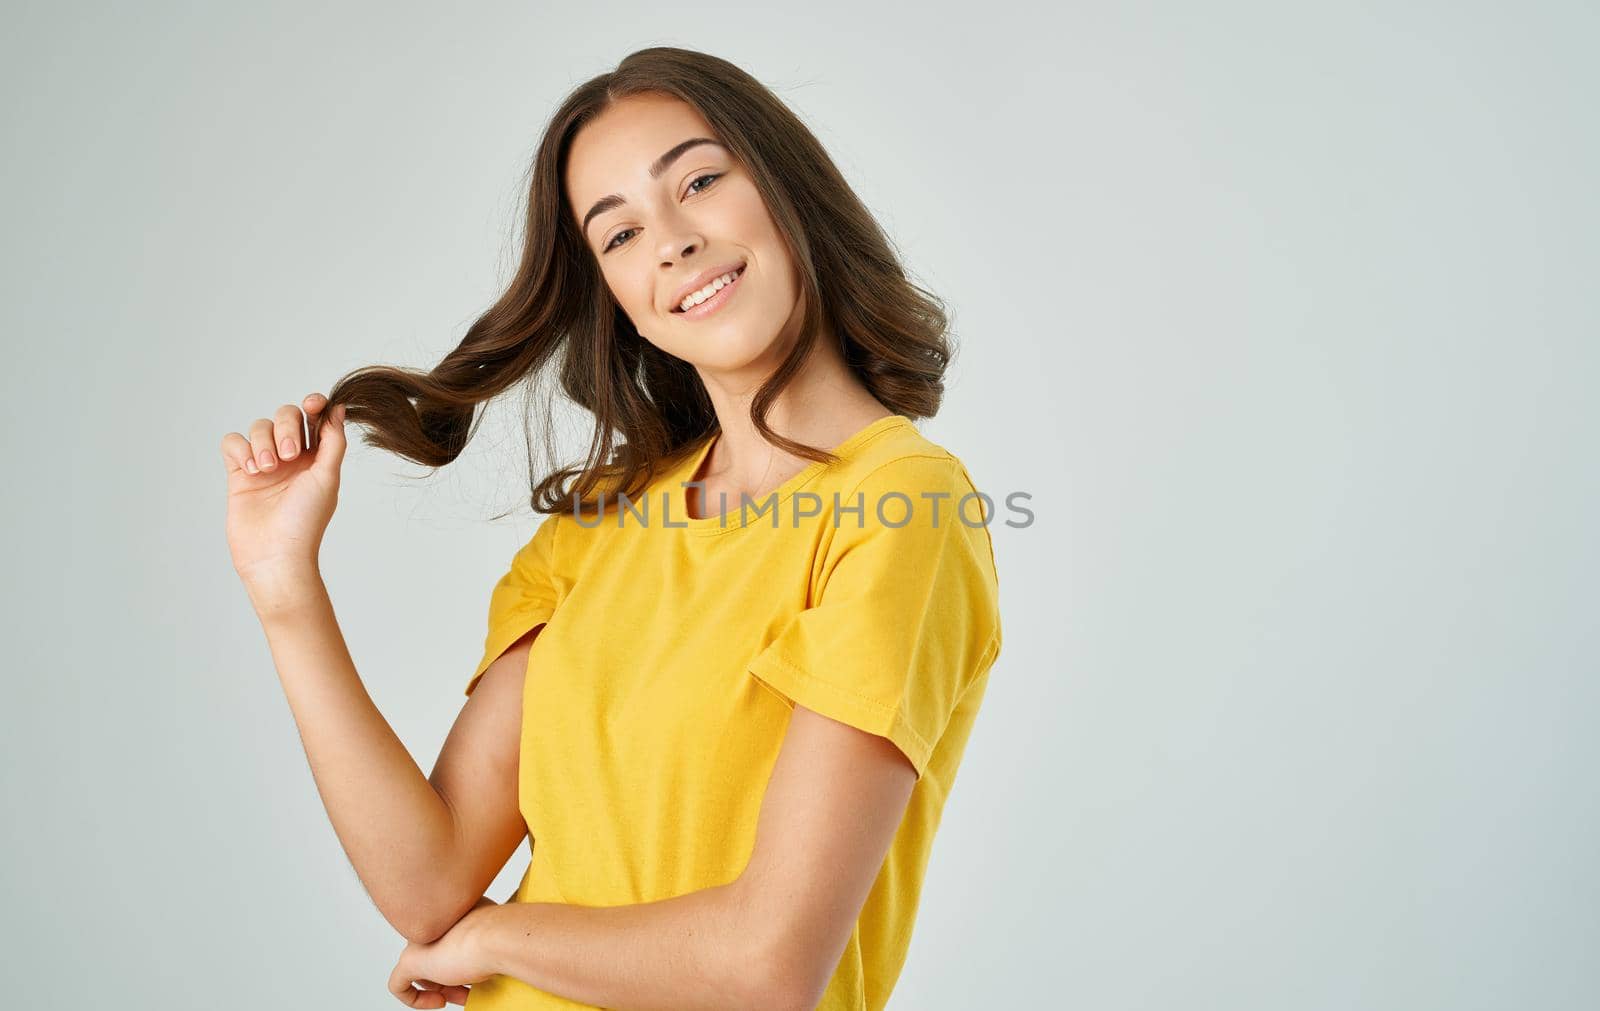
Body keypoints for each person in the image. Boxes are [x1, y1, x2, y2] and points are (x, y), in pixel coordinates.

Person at [219, 47, 1002, 1011]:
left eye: (701, 181)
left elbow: (768, 965)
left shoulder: (904, 506)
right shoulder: (598, 529)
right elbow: (427, 882)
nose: (670, 242)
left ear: (788, 189)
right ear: (618, 300)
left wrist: (497, 935)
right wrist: (284, 585)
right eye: (619, 233)